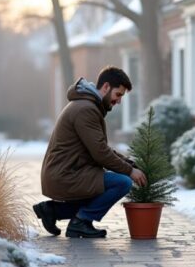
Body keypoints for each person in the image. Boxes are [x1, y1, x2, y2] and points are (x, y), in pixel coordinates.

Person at [33, 66, 147, 238]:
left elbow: (101, 147)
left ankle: (53, 210)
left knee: (99, 191)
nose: (119, 101)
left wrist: (129, 163)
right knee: (122, 183)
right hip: (67, 174)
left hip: (69, 172)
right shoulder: (86, 109)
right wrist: (130, 171)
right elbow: (100, 153)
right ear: (106, 87)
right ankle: (81, 222)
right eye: (118, 95)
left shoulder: (86, 105)